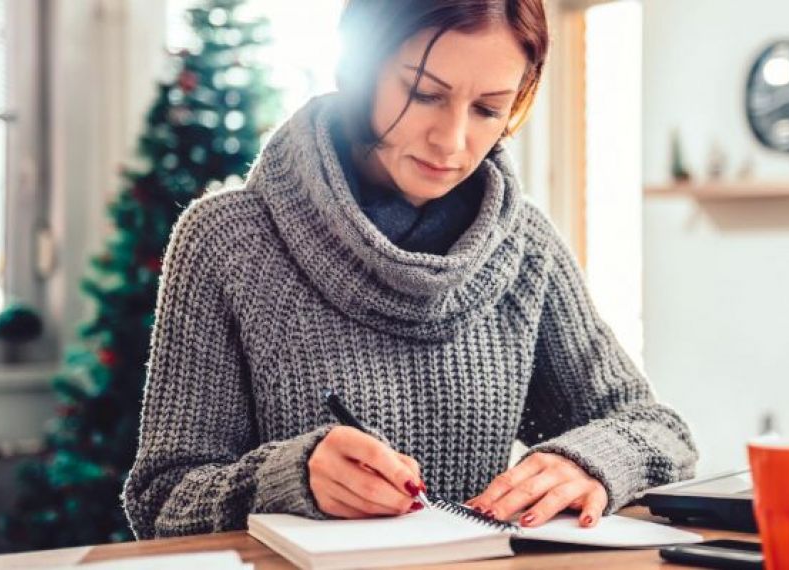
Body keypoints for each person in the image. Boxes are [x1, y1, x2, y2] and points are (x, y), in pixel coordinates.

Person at [122, 0, 697, 539]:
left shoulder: (525, 249)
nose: (451, 141)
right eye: (424, 94)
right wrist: (286, 477)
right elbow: (161, 498)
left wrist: (589, 462)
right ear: (362, 68)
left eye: (488, 109)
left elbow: (656, 429)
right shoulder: (228, 241)